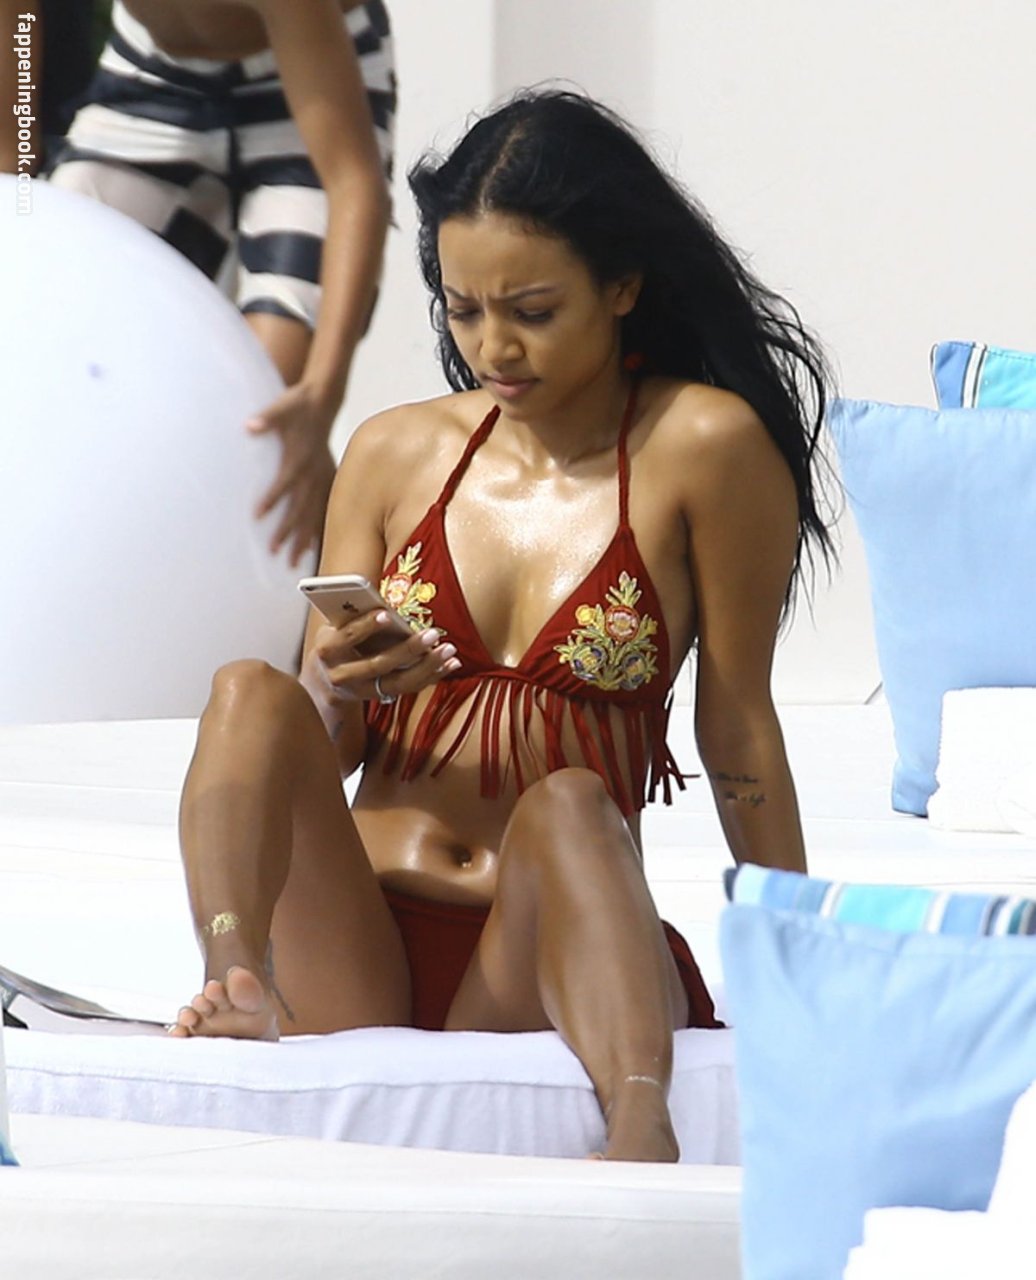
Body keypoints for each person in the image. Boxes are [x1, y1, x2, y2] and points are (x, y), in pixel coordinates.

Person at [169, 89, 835, 1163]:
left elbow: (738, 725)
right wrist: (343, 681)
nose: (493, 346)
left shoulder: (704, 447)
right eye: (463, 309)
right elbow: (323, 741)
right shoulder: (392, 451)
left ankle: (638, 1119)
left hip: (539, 942)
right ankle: (238, 977)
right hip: (357, 939)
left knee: (568, 801)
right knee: (249, 691)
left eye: (531, 309)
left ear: (621, 287)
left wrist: (804, 949)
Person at [39, 0, 395, 565]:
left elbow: (353, 182)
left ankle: (321, 589)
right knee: (50, 341)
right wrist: (20, 202)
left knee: (264, 415)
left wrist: (322, 400)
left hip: (307, 83)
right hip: (151, 75)